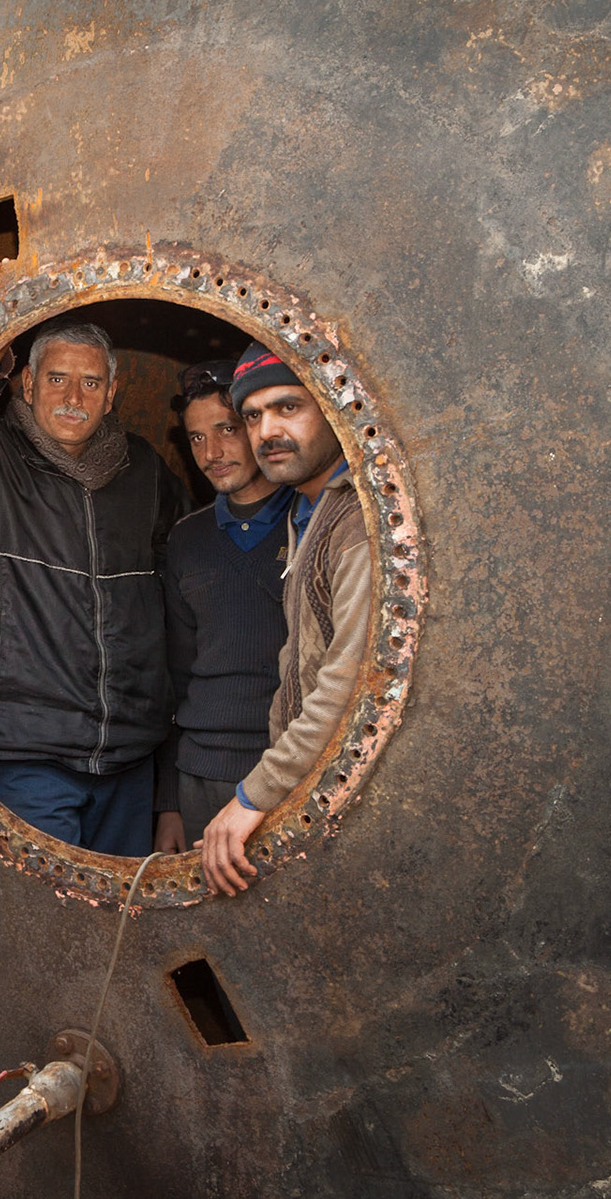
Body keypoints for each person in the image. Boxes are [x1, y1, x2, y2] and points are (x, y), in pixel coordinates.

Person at [0, 318, 190, 855]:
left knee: (120, 933)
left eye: (90, 382)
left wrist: (168, 780)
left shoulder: (147, 475)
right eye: (56, 378)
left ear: (112, 394)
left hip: (130, 763)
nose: (72, 396)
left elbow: (185, 603)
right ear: (27, 384)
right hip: (22, 758)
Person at [201, 345, 370, 896]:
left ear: (330, 409)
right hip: (315, 792)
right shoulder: (309, 510)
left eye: (288, 408)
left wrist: (253, 797)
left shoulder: (357, 521)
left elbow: (347, 686)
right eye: (253, 416)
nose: (266, 431)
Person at [153, 360, 294, 854]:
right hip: (198, 778)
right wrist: (168, 801)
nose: (211, 453)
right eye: (195, 439)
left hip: (280, 777)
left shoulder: (310, 523)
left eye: (226, 429)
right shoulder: (187, 540)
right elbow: (176, 676)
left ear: (257, 427)